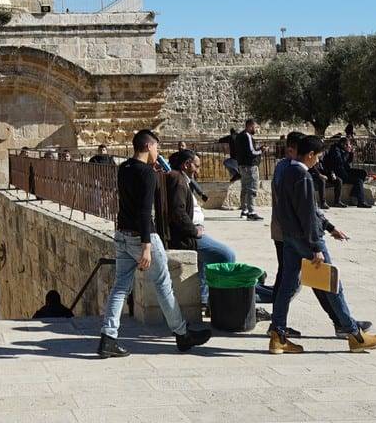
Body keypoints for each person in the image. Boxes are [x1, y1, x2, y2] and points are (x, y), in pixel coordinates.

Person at [96, 130, 210, 358]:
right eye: (157, 147)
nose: (158, 152)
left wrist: (155, 175)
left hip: (122, 234)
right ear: (148, 146)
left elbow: (132, 199)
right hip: (142, 236)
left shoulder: (124, 168)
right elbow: (144, 210)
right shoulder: (147, 173)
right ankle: (182, 334)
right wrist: (146, 245)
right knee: (162, 283)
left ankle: (108, 337)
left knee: (120, 286)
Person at [269, 135, 376, 354]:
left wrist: (327, 228)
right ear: (310, 155)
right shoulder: (302, 177)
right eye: (318, 156)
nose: (319, 160)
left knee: (286, 286)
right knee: (332, 284)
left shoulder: (286, 172)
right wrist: (315, 247)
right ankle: (354, 335)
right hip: (306, 239)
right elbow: (307, 215)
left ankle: (278, 335)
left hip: (290, 237)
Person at [165, 149, 235, 309]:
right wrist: (194, 231)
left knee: (205, 262)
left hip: (190, 231)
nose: (198, 170)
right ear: (186, 165)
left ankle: (204, 298)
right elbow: (178, 213)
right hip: (186, 236)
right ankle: (221, 303)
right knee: (227, 255)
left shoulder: (181, 179)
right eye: (196, 166)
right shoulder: (178, 181)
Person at [323, 137, 370, 208]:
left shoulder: (342, 150)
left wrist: (351, 153)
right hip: (339, 173)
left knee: (363, 173)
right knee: (358, 180)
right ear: (343, 145)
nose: (350, 146)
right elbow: (340, 162)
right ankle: (361, 201)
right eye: (348, 145)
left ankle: (353, 194)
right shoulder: (335, 150)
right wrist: (347, 152)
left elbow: (348, 161)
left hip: (345, 170)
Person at [233, 119, 263, 220]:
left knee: (245, 188)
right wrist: (261, 150)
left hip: (242, 165)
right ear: (250, 126)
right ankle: (251, 212)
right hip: (250, 166)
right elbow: (252, 152)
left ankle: (244, 210)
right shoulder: (247, 136)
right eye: (255, 127)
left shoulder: (239, 136)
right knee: (252, 189)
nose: (256, 130)